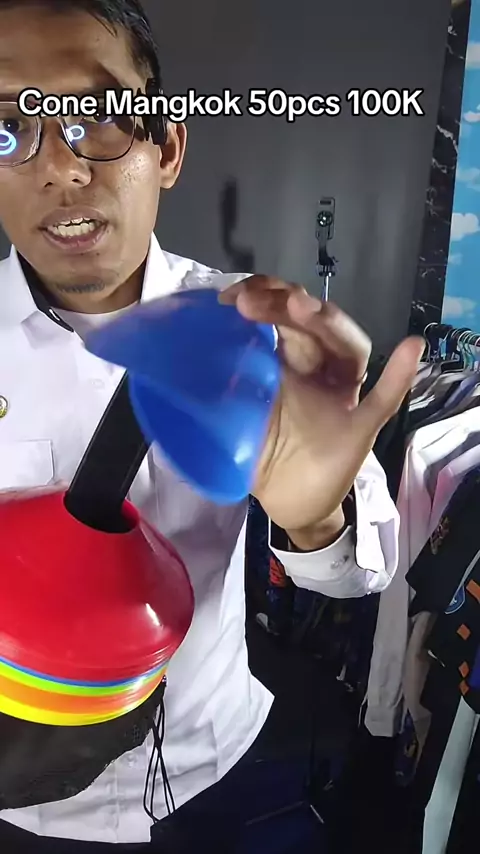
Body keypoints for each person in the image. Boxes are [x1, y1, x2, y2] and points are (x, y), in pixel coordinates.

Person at [0, 0, 424, 850]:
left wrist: (315, 519)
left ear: (166, 148)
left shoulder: (254, 327)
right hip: (23, 794)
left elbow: (360, 577)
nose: (61, 169)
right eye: (9, 129)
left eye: (95, 117)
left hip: (209, 764)